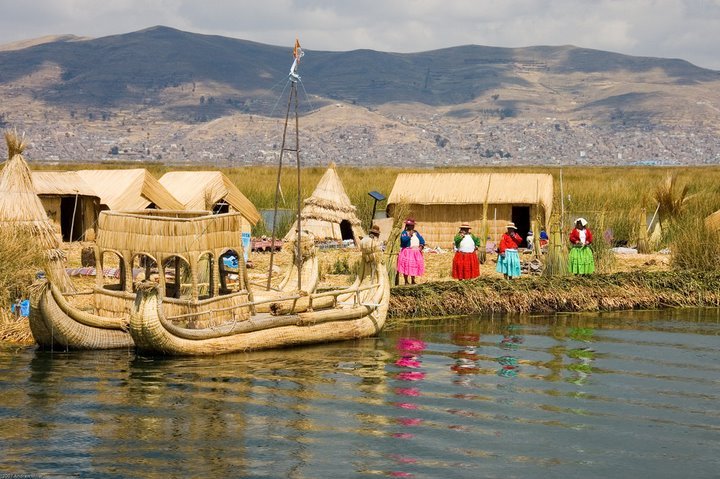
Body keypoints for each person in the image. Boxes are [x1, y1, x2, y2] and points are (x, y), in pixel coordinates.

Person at [397, 219, 425, 284]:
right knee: (406, 266)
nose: (412, 227)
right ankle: (406, 281)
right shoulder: (404, 233)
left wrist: (421, 246)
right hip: (407, 252)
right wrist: (409, 236)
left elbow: (422, 240)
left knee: (414, 266)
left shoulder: (416, 232)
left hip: (415, 252)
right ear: (407, 226)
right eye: (410, 225)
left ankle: (413, 280)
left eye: (413, 225)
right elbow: (403, 240)